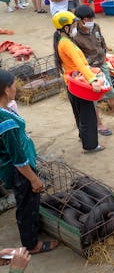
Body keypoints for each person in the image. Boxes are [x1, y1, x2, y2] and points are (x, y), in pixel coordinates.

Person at [0, 70, 59, 255]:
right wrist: (34, 179)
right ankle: (31, 244)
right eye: (13, 84)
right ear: (6, 90)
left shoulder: (5, 109)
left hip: (15, 167)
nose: (16, 87)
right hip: (20, 171)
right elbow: (18, 158)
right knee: (26, 203)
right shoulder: (5, 122)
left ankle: (32, 229)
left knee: (26, 200)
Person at [72, 5, 114, 136]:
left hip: (101, 63)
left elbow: (101, 39)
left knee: (110, 91)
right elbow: (77, 56)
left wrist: (105, 51)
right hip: (89, 69)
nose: (91, 21)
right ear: (80, 20)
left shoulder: (95, 27)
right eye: (87, 19)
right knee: (92, 97)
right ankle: (99, 123)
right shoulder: (75, 36)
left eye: (91, 18)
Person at [53, 11, 105, 152]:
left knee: (79, 112)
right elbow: (80, 65)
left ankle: (83, 137)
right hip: (79, 82)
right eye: (74, 25)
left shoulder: (63, 41)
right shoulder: (67, 44)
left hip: (72, 82)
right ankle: (91, 145)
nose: (76, 27)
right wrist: (93, 80)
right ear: (66, 27)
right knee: (88, 114)